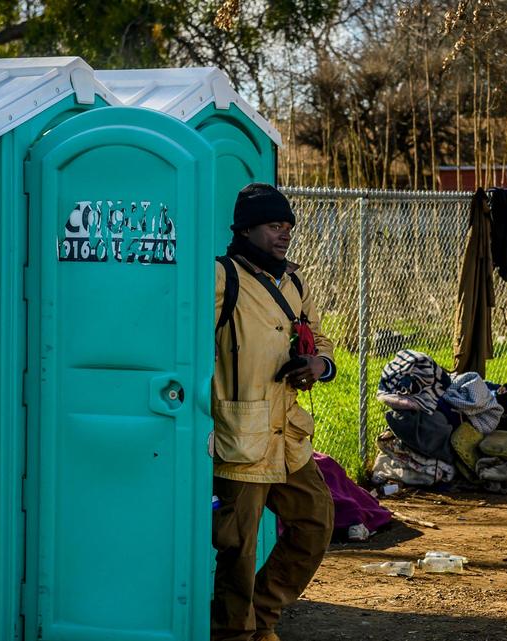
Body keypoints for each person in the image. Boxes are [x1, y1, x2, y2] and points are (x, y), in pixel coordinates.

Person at [211, 183, 336, 641]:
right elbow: (184, 347)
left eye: (287, 226)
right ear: (246, 229)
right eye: (273, 226)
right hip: (240, 438)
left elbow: (321, 341)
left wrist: (317, 365)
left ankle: (262, 616)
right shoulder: (224, 277)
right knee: (236, 552)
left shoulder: (295, 281)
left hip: (289, 440)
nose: (284, 235)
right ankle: (234, 634)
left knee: (316, 522)